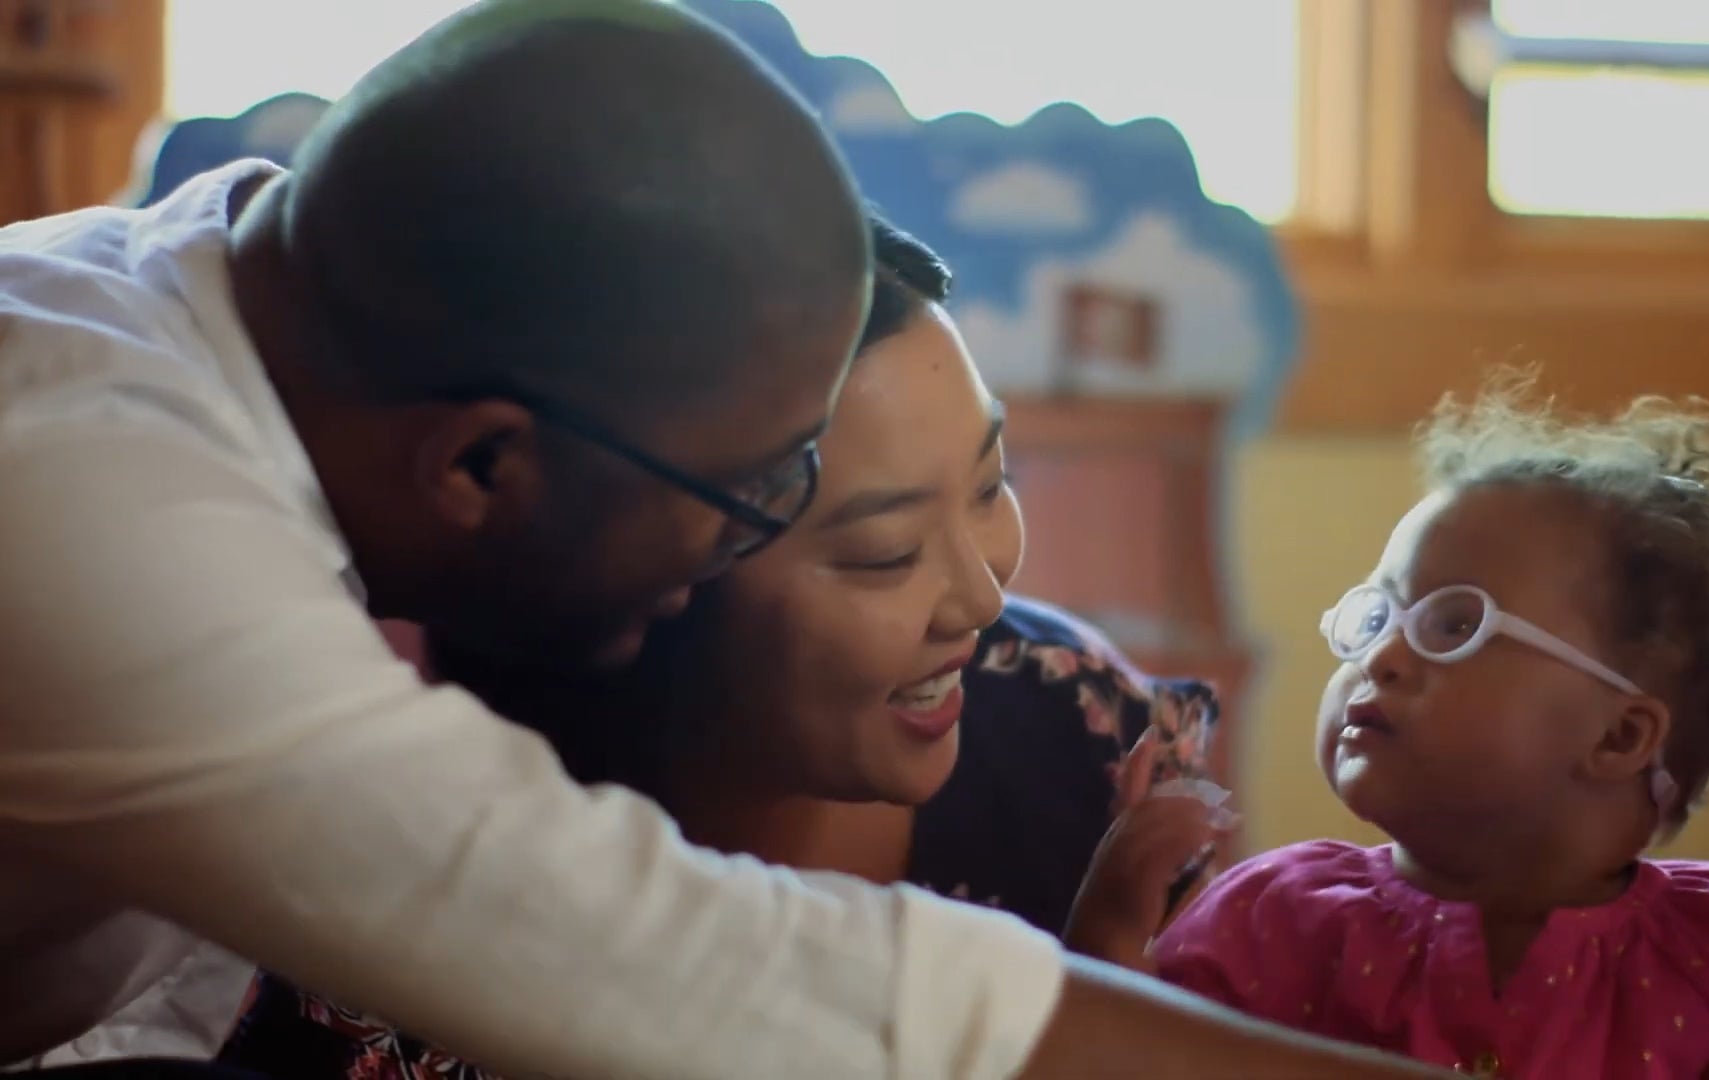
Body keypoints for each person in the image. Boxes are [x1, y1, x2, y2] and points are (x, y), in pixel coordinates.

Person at [0, 0, 1448, 1076]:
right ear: (484, 462)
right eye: (756, 493)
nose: (979, 597)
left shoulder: (224, 301)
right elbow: (661, 960)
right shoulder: (95, 522)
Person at [217, 217, 1238, 1079]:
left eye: (990, 482)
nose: (981, 597)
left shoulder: (1084, 733)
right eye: (886, 554)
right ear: (654, 586)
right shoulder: (415, 882)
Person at [1082, 372, 1709, 1077]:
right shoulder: (1269, 921)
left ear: (1618, 737)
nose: (1380, 657)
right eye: (1378, 614)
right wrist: (1108, 943)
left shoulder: (1704, 970)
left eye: (1452, 627)